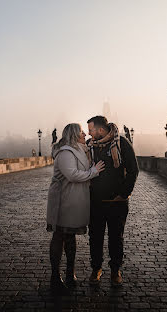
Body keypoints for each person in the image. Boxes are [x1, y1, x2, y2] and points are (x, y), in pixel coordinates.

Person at [46, 123, 105, 293]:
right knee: (59, 236)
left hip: (74, 200)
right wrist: (93, 172)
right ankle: (55, 277)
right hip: (63, 201)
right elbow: (72, 174)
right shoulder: (65, 152)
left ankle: (70, 272)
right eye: (81, 132)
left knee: (70, 237)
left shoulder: (80, 150)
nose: (85, 133)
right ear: (73, 134)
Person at [87, 116, 139, 287]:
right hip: (96, 201)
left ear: (100, 130)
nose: (89, 133)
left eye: (91, 129)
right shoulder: (89, 145)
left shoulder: (121, 143)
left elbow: (133, 170)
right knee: (95, 237)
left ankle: (115, 269)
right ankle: (96, 269)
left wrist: (124, 194)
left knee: (116, 238)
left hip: (117, 202)